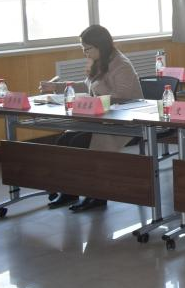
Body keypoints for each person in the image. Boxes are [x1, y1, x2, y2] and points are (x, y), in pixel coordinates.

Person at [47, 25, 145, 211]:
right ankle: (69, 191)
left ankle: (97, 195)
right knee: (66, 139)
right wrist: (57, 87)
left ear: (100, 45)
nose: (85, 53)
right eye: (83, 48)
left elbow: (122, 97)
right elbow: (86, 86)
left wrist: (98, 87)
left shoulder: (121, 64)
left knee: (80, 142)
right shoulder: (100, 61)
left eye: (88, 48)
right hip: (102, 118)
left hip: (124, 121)